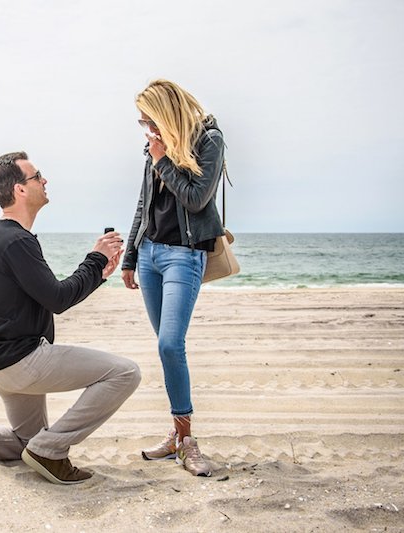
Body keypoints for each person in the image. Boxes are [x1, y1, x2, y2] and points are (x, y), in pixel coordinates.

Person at [0, 151, 141, 485]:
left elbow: (52, 294)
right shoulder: (14, 241)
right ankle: (51, 450)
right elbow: (58, 299)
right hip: (23, 361)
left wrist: (99, 272)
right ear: (20, 190)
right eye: (38, 176)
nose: (45, 180)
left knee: (27, 441)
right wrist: (95, 259)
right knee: (125, 373)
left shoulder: (6, 238)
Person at [121, 79, 226, 476]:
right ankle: (177, 435)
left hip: (185, 256)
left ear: (166, 113)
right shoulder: (152, 147)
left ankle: (186, 440)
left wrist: (164, 158)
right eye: (142, 122)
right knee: (166, 348)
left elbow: (198, 199)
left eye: (148, 119)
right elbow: (143, 205)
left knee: (170, 344)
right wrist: (131, 255)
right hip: (149, 256)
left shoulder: (208, 140)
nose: (145, 128)